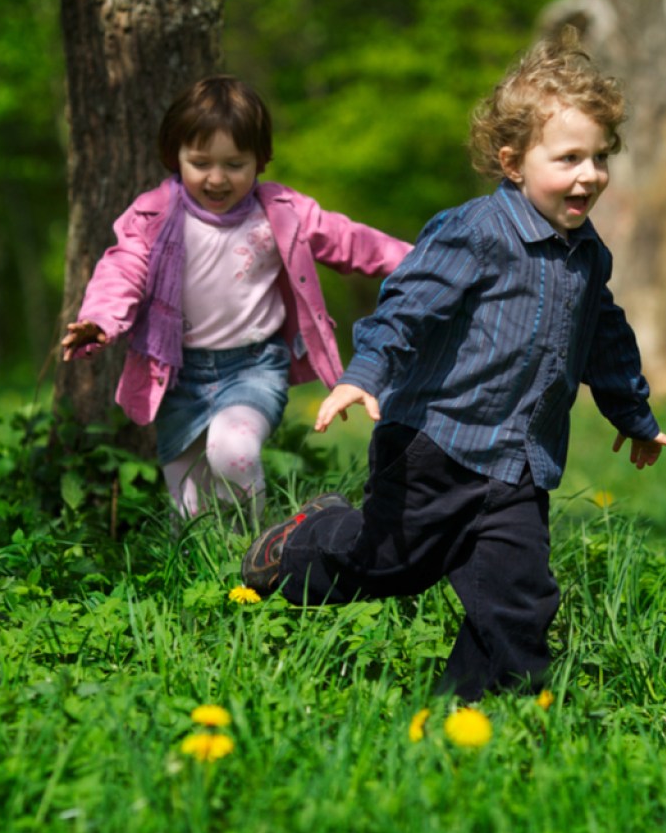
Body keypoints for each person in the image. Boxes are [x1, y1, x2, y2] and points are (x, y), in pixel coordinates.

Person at [241, 35, 666, 700]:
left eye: (598, 157)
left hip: (518, 464)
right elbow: (407, 308)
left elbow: (604, 336)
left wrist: (632, 413)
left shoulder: (588, 255)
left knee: (519, 600)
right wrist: (364, 374)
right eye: (568, 159)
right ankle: (300, 543)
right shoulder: (472, 232)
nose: (588, 174)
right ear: (512, 162)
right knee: (388, 565)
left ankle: (474, 721)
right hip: (434, 445)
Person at [62, 75, 411, 528]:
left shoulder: (280, 212)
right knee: (188, 509)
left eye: (234, 164)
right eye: (200, 162)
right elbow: (121, 269)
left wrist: (420, 259)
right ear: (176, 157)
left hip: (253, 367)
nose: (217, 178)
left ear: (259, 161)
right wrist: (99, 321)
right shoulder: (154, 215)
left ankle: (258, 551)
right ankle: (204, 577)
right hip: (177, 373)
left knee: (233, 452)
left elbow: (350, 241)